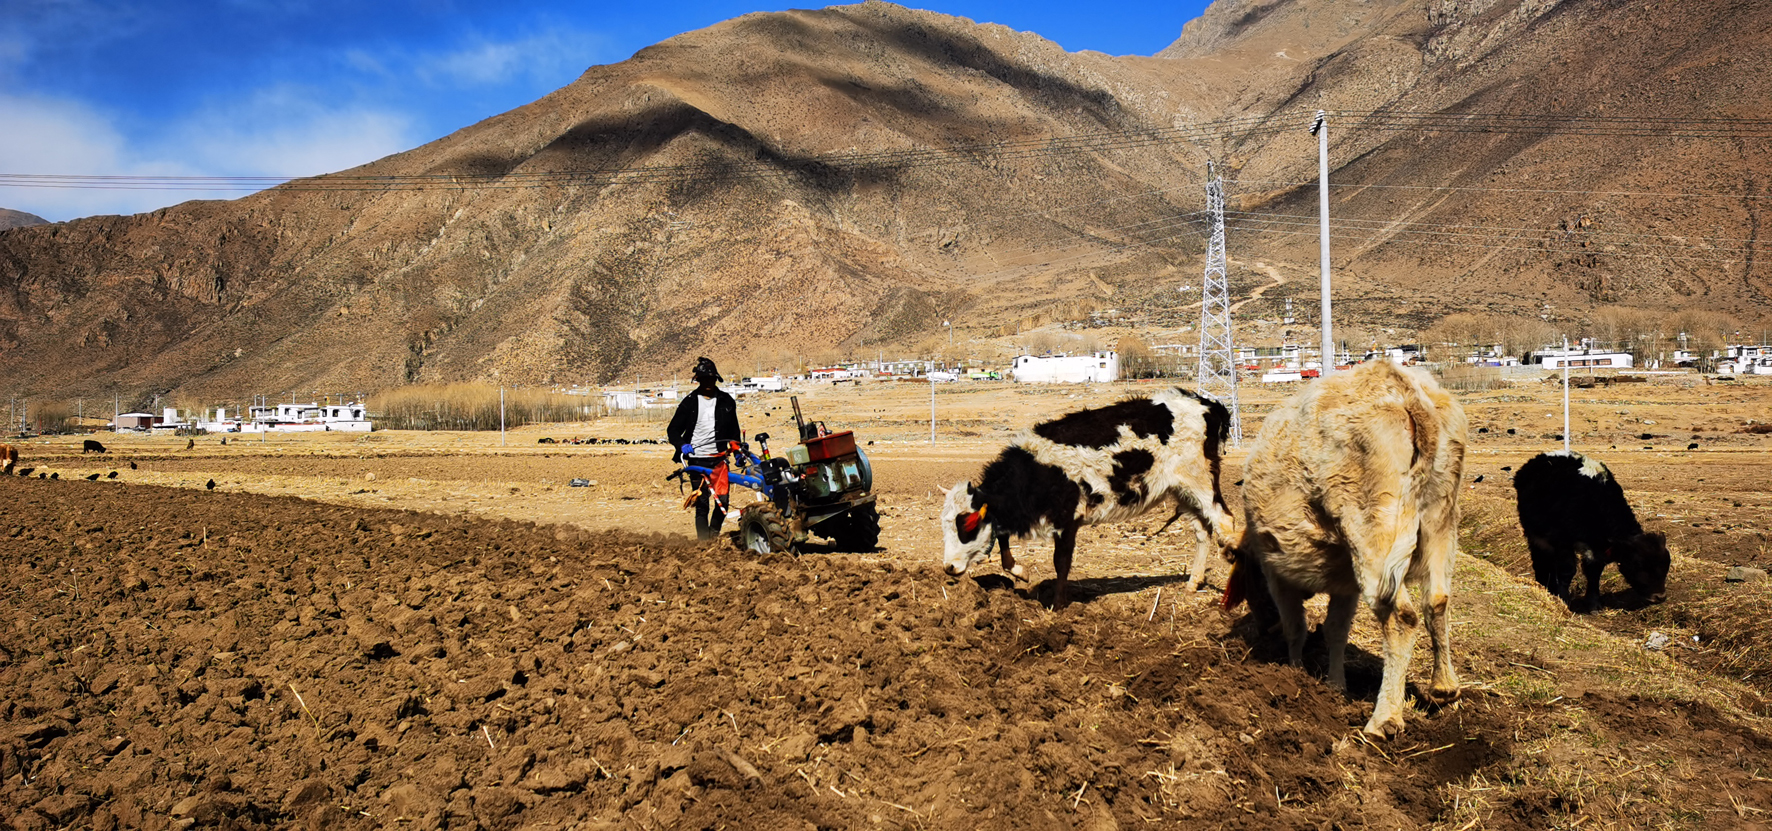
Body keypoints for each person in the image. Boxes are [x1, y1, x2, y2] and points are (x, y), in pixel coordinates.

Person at [667, 357, 741, 540]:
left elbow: (734, 431)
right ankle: (703, 542)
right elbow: (673, 430)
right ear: (698, 380)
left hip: (719, 459)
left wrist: (737, 450)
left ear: (716, 379)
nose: (708, 383)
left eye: (711, 379)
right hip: (697, 459)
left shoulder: (726, 402)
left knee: (723, 502)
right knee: (702, 504)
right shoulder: (689, 402)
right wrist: (682, 445)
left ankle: (713, 536)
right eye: (704, 379)